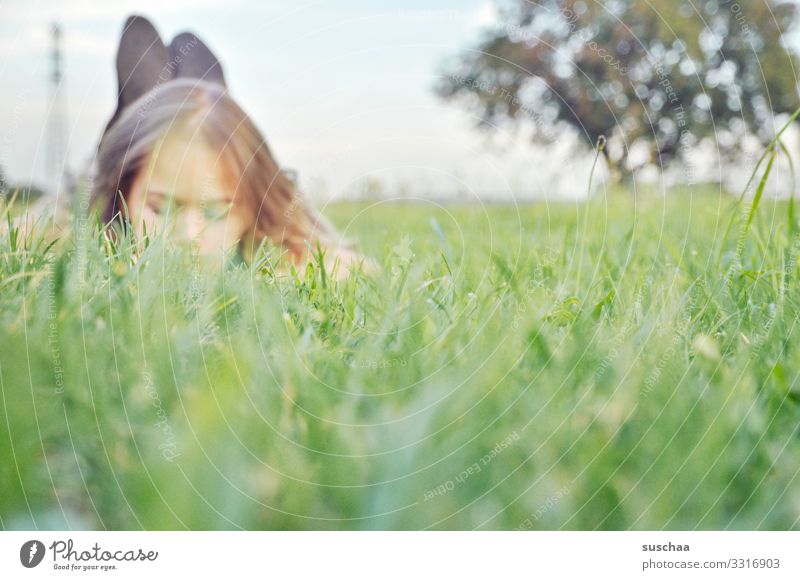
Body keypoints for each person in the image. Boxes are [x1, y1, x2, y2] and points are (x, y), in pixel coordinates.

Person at [92, 15, 360, 274]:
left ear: (252, 209)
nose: (188, 237)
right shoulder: (86, 230)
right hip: (132, 151)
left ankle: (184, 102)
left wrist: (295, 264)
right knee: (155, 124)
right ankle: (155, 104)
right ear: (122, 194)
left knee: (200, 123)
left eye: (216, 212)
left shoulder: (273, 234)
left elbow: (351, 267)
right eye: (161, 208)